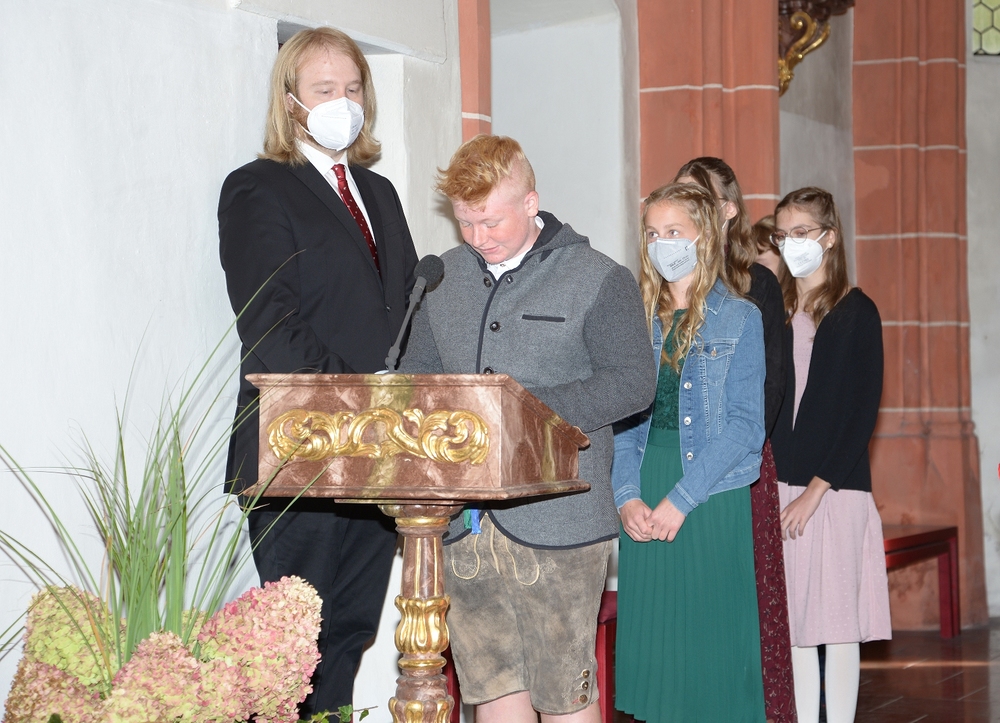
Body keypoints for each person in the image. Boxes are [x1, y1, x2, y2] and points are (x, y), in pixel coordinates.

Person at [399, 134, 656, 723]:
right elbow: (417, 377)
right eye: (466, 222)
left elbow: (633, 384)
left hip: (560, 517)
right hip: (463, 522)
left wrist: (520, 409)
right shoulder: (442, 277)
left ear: (531, 202)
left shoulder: (598, 277)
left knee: (564, 693)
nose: (477, 237)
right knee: (489, 689)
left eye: (491, 222)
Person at [218, 27, 418, 715]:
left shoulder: (379, 193)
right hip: (299, 450)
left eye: (353, 88)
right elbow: (270, 323)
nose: (344, 103)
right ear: (290, 101)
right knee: (292, 647)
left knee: (349, 635)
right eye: (325, 89)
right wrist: (364, 399)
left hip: (381, 452)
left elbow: (407, 312)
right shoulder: (258, 188)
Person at [613, 182, 767, 723]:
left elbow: (746, 427)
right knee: (660, 659)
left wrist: (682, 498)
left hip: (709, 491)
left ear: (703, 236)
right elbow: (623, 421)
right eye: (653, 234)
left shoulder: (740, 317)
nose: (662, 244)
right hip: (646, 481)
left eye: (673, 231)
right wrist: (626, 496)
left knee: (711, 657)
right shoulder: (637, 319)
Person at [673, 158, 795, 723]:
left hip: (738, 462)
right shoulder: (664, 286)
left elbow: (772, 388)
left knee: (740, 600)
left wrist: (725, 463)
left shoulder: (755, 283)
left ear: (726, 210)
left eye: (698, 198)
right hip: (672, 461)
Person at [769, 187, 891, 723]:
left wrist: (815, 491)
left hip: (835, 489)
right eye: (782, 235)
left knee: (838, 626)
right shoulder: (775, 311)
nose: (790, 243)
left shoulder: (856, 311)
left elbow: (861, 414)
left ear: (830, 237)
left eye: (802, 232)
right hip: (780, 483)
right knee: (794, 625)